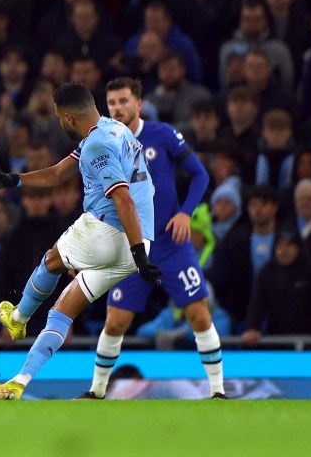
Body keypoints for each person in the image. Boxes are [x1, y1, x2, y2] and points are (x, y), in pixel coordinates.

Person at [0, 82, 160, 400]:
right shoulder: (115, 129)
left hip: (111, 232)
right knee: (62, 311)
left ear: (68, 118)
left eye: (58, 118)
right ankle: (19, 382)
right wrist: (14, 180)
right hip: (139, 239)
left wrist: (140, 257)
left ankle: (17, 320)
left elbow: (122, 198)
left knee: (51, 261)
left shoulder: (97, 146)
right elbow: (58, 174)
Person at [76, 78, 224, 400]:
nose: (118, 108)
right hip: (130, 248)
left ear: (138, 103)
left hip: (171, 246)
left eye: (124, 101)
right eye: (112, 102)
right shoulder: (100, 143)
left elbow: (200, 175)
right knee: (115, 322)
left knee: (198, 313)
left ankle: (218, 391)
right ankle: (96, 391)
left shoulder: (163, 135)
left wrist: (185, 212)